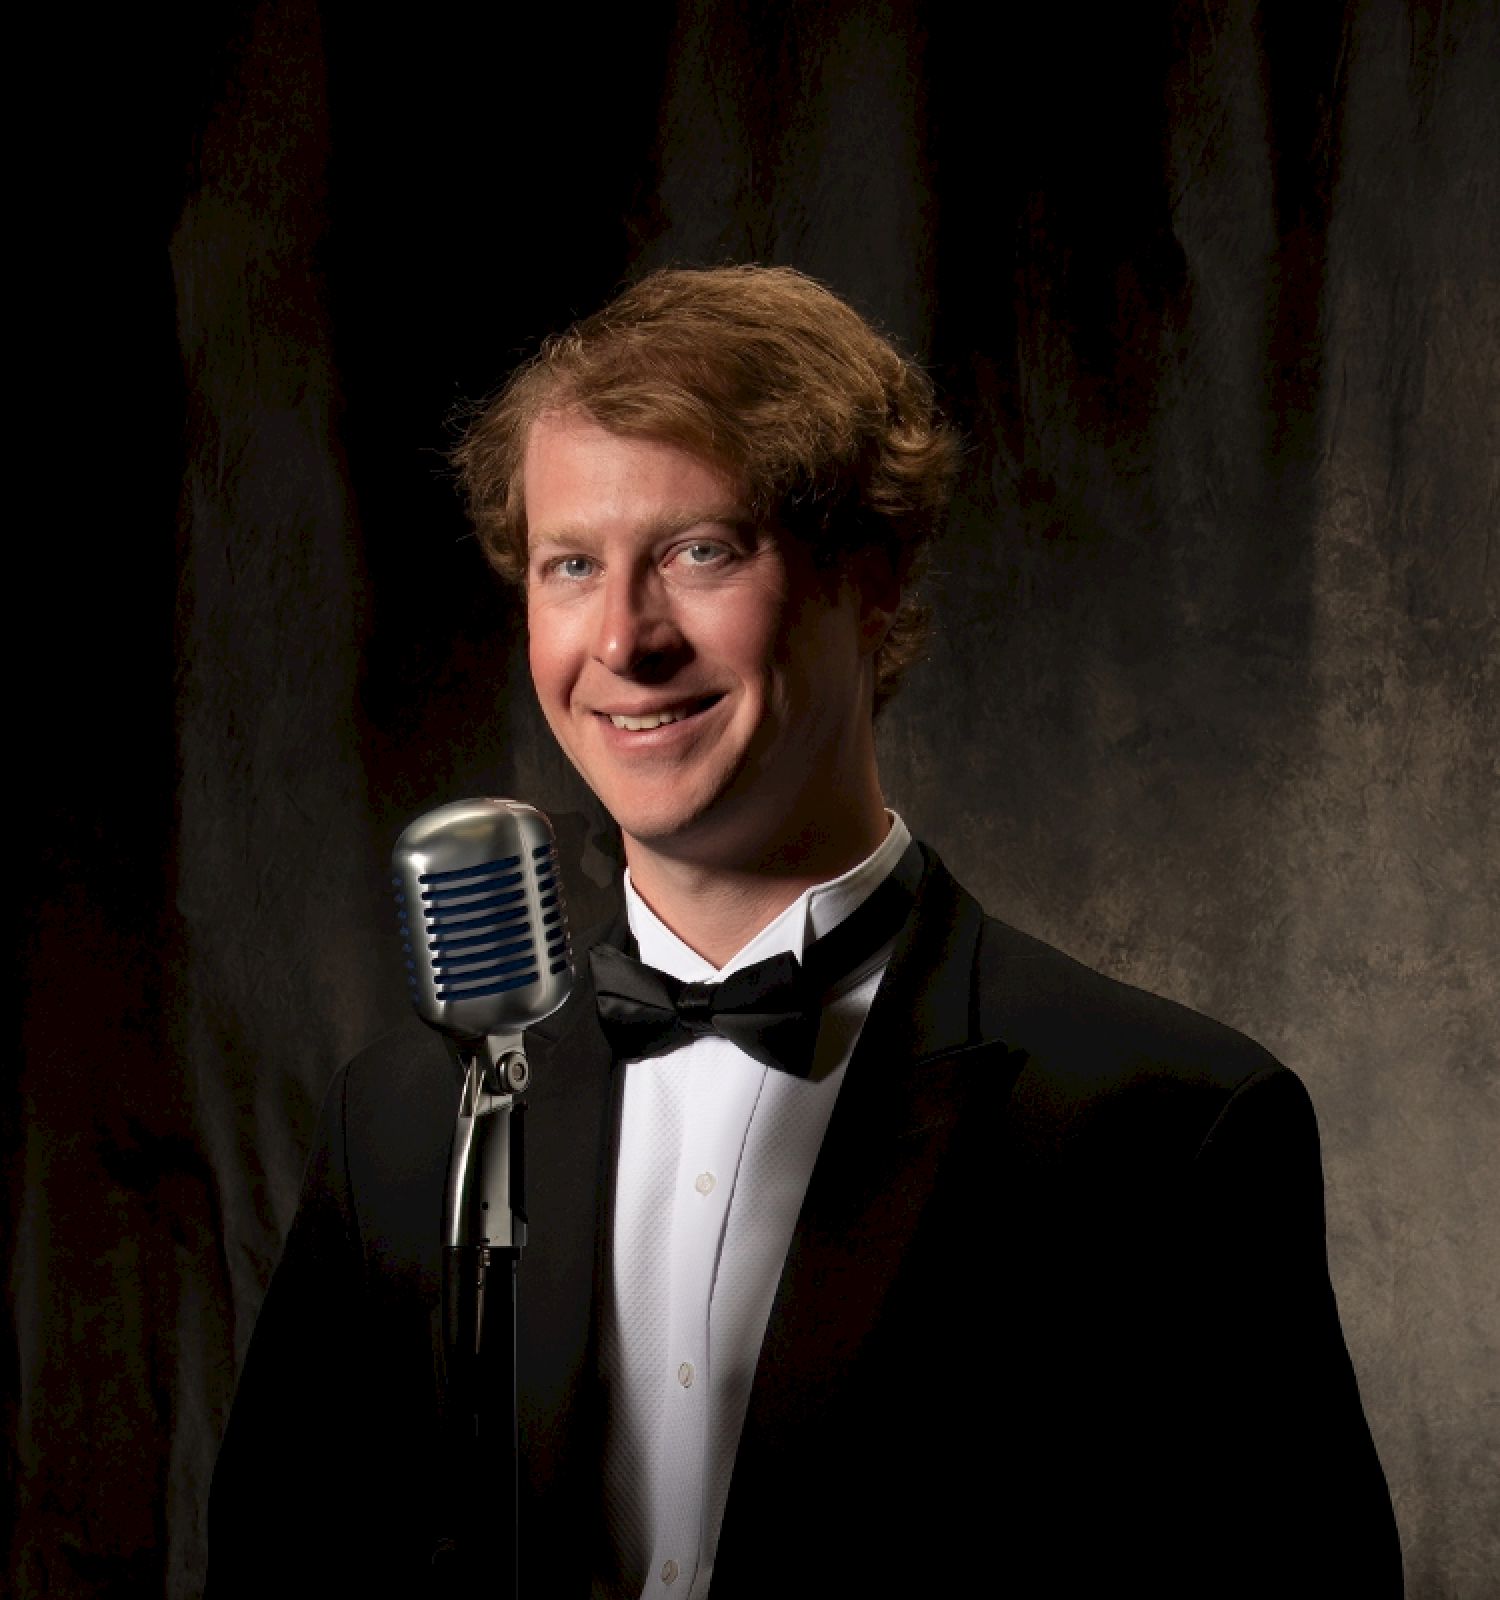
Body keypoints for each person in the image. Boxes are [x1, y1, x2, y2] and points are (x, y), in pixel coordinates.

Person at [207, 266, 1403, 1598]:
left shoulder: (1170, 1127)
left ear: (873, 580)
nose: (623, 638)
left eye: (700, 550)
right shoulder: (405, 1122)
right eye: (570, 565)